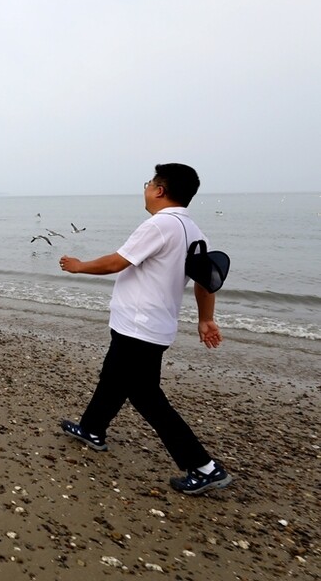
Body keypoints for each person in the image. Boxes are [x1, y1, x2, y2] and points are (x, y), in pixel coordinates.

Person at [58, 163, 233, 496]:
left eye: (149, 182)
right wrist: (205, 318)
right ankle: (91, 429)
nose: (146, 187)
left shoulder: (160, 225)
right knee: (113, 377)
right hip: (153, 325)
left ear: (160, 190)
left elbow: (118, 261)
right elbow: (205, 282)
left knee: (145, 395)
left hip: (140, 325)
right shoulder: (195, 231)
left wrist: (79, 266)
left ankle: (203, 466)